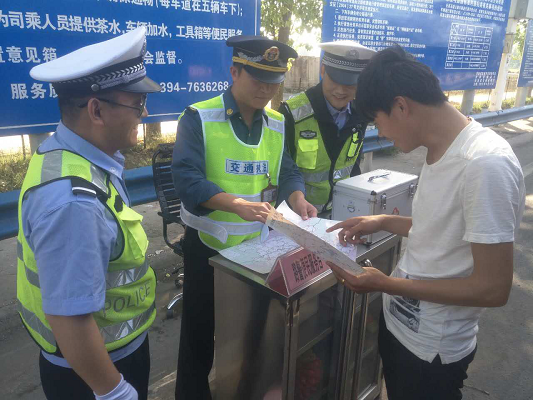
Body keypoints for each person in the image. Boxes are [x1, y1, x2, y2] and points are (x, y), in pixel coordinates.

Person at [326, 45, 525, 400]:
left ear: (401, 106)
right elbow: (442, 229)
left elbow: (492, 289)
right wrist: (382, 220)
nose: (381, 133)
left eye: (378, 121)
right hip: (402, 328)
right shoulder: (440, 148)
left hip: (432, 351)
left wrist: (385, 283)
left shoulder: (484, 165)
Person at [17, 27, 161, 400]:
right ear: (96, 110)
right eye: (137, 103)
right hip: (94, 373)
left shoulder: (74, 155)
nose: (145, 113)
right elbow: (70, 318)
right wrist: (113, 391)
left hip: (104, 357)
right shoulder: (74, 203)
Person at [171, 35, 317, 399]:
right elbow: (187, 180)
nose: (266, 90)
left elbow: (287, 170)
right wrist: (236, 204)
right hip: (209, 247)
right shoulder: (199, 118)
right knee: (199, 335)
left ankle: (244, 391)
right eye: (258, 80)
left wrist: (297, 198)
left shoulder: (276, 122)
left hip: (256, 249)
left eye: (273, 82)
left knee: (252, 332)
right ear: (234, 72)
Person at [278, 41, 376, 215]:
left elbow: (353, 165)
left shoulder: (360, 113)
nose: (340, 90)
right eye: (335, 80)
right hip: (298, 215)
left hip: (342, 211)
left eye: (349, 84)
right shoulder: (291, 113)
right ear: (323, 71)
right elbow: (282, 168)